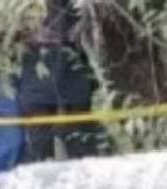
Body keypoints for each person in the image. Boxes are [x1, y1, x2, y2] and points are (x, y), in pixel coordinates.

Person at [17, 0, 110, 163]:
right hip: (38, 74)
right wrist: (31, 36)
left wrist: (81, 27)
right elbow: (4, 31)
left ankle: (86, 179)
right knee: (40, 143)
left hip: (71, 73)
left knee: (81, 139)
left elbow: (94, 24)